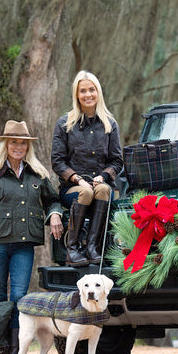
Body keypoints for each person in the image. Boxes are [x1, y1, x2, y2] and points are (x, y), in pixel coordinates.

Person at [0, 120, 64, 354]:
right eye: (14, 142)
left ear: (27, 147)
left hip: (24, 246)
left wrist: (54, 214)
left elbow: (53, 200)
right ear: (5, 145)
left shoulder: (37, 175)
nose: (18, 147)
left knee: (19, 298)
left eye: (22, 143)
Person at [51, 70, 123, 267]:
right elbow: (57, 161)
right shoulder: (64, 123)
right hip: (73, 188)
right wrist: (78, 179)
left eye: (92, 90)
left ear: (98, 92)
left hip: (100, 187)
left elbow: (117, 161)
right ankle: (73, 249)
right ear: (76, 94)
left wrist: (103, 177)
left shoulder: (110, 124)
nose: (88, 94)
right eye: (83, 91)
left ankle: (93, 247)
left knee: (103, 190)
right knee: (86, 191)